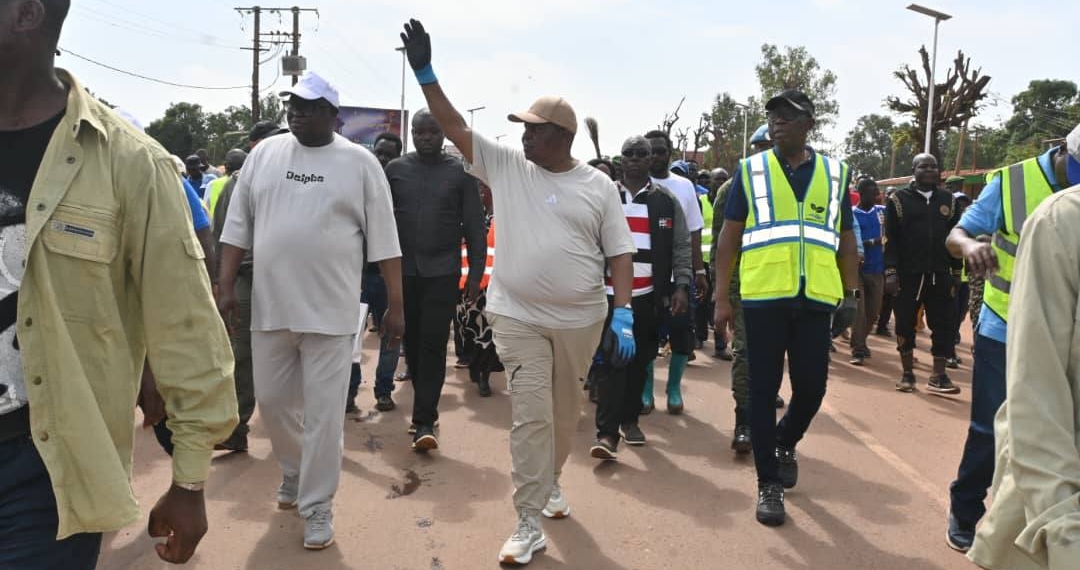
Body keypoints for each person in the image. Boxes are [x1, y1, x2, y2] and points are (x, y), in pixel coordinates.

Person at [0, 1, 238, 567]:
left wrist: (190, 480)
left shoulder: (129, 163)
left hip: (43, 474)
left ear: (28, 14)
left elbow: (185, 326)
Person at [400, 19, 636, 566]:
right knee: (531, 415)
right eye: (523, 128)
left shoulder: (597, 187)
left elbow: (620, 254)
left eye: (534, 129)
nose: (524, 135)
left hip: (581, 321)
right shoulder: (507, 165)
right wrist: (425, 73)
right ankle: (527, 520)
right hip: (517, 315)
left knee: (561, 414)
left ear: (562, 136)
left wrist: (622, 314)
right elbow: (455, 126)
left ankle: (549, 482)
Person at [218, 70, 405, 550]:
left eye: (307, 106)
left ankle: (317, 505)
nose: (296, 113)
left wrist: (396, 306)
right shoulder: (264, 154)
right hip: (271, 306)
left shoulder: (360, 163)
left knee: (324, 415)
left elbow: (385, 241)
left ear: (332, 115)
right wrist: (223, 287)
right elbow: (237, 226)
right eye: (292, 106)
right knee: (274, 404)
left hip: (332, 312)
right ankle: (295, 469)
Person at [713, 90, 859, 527]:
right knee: (762, 390)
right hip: (762, 299)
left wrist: (851, 296)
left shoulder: (836, 174)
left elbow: (847, 240)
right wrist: (722, 296)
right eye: (773, 116)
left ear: (808, 123)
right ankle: (768, 483)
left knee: (812, 388)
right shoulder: (750, 170)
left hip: (816, 299)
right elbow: (728, 237)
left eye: (788, 116)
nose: (777, 122)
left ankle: (784, 440)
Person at [944, 124, 1080, 554]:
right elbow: (956, 235)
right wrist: (968, 249)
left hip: (1065, 336)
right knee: (993, 429)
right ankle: (965, 511)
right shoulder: (1011, 181)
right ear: (1062, 152)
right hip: (1004, 329)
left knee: (1059, 433)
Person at [386, 109, 487, 449]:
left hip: (442, 272)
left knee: (432, 343)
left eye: (432, 131)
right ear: (411, 133)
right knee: (411, 344)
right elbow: (381, 223)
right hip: (403, 273)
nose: (426, 137)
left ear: (443, 134)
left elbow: (474, 227)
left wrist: (475, 273)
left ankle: (424, 420)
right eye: (420, 132)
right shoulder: (396, 171)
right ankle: (423, 406)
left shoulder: (460, 173)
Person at [591, 136, 691, 459]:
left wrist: (681, 285)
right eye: (628, 154)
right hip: (606, 296)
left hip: (649, 296)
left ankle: (630, 421)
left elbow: (680, 246)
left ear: (651, 160)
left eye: (641, 154)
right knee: (610, 363)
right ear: (621, 159)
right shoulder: (605, 196)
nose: (634, 159)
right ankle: (607, 434)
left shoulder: (666, 202)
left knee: (640, 360)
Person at [709, 124, 783, 452]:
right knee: (746, 352)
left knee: (775, 352)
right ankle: (744, 420)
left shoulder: (790, 187)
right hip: (744, 284)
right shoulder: (732, 187)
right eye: (762, 147)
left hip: (781, 285)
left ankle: (763, 407)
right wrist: (720, 292)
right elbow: (720, 244)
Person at [884, 154, 963, 394]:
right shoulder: (897, 200)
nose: (930, 170)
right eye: (924, 166)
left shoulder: (949, 200)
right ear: (913, 170)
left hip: (941, 273)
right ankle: (907, 374)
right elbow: (891, 239)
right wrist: (890, 272)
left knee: (944, 325)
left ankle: (939, 375)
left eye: (934, 166)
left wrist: (957, 272)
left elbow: (956, 238)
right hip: (908, 275)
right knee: (905, 324)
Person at [643, 130, 707, 413]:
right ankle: (646, 391)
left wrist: (698, 270)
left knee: (682, 334)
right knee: (645, 334)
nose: (656, 156)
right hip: (643, 277)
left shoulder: (683, 187)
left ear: (670, 152)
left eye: (661, 150)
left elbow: (693, 232)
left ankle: (673, 389)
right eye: (650, 151)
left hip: (677, 277)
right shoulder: (633, 185)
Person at [349, 130, 404, 415]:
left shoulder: (401, 189)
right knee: (351, 334)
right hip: (356, 275)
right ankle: (349, 391)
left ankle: (384, 390)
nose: (382, 159)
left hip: (387, 277)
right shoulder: (356, 184)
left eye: (388, 155)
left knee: (391, 333)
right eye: (378, 153)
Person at [208, 147, 256, 453]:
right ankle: (237, 427)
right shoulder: (235, 185)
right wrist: (221, 283)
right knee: (241, 351)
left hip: (291, 278)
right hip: (247, 276)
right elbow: (222, 234)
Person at [849, 178, 885, 365]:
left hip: (877, 270)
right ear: (861, 194)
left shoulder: (881, 212)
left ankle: (861, 341)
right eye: (873, 193)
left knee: (873, 311)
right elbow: (849, 242)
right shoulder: (851, 214)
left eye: (877, 192)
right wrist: (871, 242)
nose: (877, 196)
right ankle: (858, 348)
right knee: (859, 311)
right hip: (857, 271)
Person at [947, 191, 972, 369]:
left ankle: (950, 345)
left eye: (965, 205)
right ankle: (948, 352)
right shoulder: (947, 227)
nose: (962, 208)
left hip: (967, 280)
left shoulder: (972, 228)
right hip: (950, 277)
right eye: (959, 205)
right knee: (950, 314)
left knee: (961, 314)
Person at [206, 148, 247, 219]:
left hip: (217, 227)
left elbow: (206, 211)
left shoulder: (212, 184)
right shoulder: (249, 185)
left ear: (225, 166)